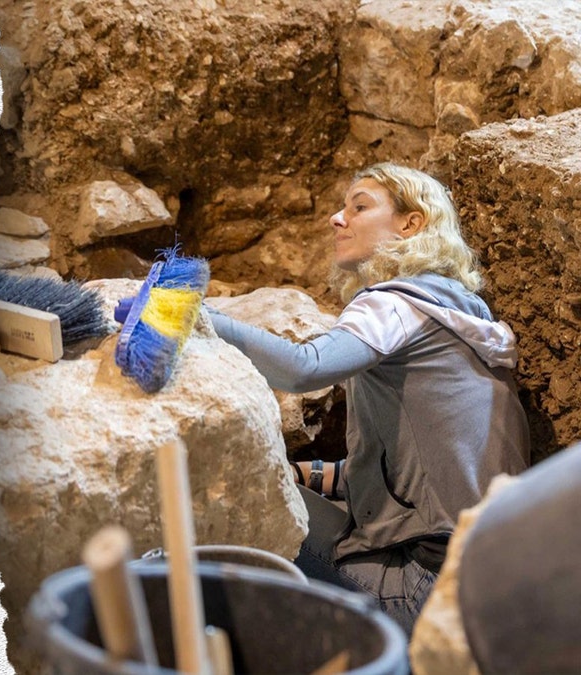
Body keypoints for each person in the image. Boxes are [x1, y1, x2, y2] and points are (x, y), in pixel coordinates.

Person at [206, 162, 529, 634]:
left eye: (359, 207)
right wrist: (300, 472)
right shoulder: (451, 312)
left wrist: (200, 315)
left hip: (424, 588)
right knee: (283, 490)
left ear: (410, 223)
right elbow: (401, 475)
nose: (337, 219)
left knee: (238, 504)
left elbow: (304, 368)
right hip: (485, 594)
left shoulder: (395, 303)